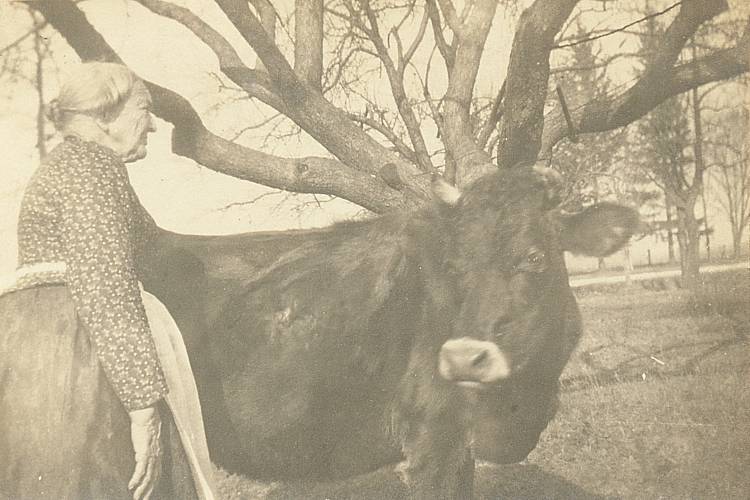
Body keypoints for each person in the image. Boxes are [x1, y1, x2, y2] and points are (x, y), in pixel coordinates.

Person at [0, 62, 215, 500]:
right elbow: (105, 285)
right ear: (103, 117)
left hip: (40, 349)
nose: (153, 125)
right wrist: (142, 407)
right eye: (143, 108)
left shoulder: (71, 164)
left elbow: (153, 249)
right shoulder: (93, 168)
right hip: (73, 356)